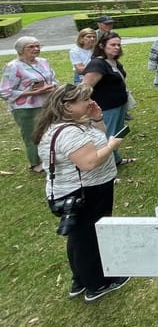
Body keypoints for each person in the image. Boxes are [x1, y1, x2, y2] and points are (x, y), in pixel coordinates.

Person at [33, 83, 131, 302]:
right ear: (67, 106)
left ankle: (80, 279)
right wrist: (112, 146)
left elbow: (95, 141)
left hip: (80, 189)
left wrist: (96, 119)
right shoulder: (69, 133)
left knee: (79, 237)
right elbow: (90, 162)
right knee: (89, 237)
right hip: (86, 191)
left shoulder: (64, 125)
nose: (90, 102)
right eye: (84, 100)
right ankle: (97, 283)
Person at [0, 36, 57, 173]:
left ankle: (50, 159)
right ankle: (35, 163)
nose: (36, 49)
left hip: (47, 104)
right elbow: (5, 92)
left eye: (37, 46)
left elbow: (54, 79)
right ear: (20, 50)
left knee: (49, 133)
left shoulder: (43, 62)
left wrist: (51, 86)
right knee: (32, 135)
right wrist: (32, 93)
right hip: (25, 108)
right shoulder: (13, 67)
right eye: (31, 47)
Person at [82, 32, 135, 166]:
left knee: (117, 134)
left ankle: (116, 160)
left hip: (119, 104)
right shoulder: (97, 64)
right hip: (106, 108)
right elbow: (85, 88)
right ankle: (107, 167)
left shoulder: (114, 61)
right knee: (106, 137)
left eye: (118, 44)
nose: (116, 47)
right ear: (102, 45)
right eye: (112, 45)